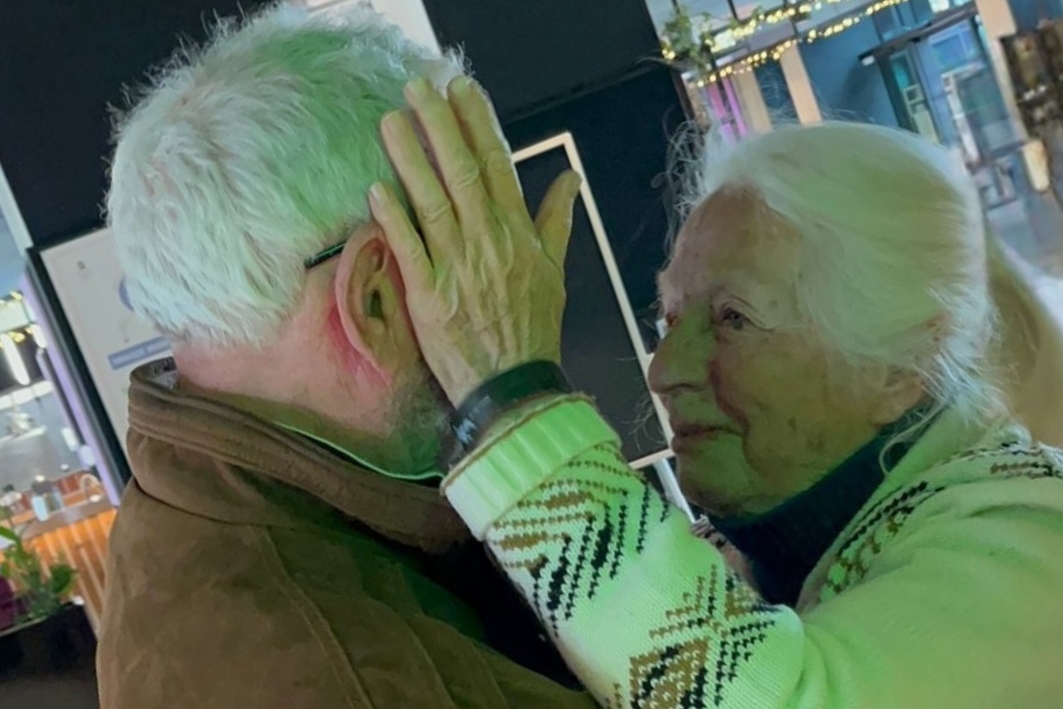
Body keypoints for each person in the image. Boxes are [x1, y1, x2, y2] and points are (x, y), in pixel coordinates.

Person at [371, 76, 1063, 707]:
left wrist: (510, 399)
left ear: (902, 364)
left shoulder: (1031, 541)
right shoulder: (762, 562)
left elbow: (782, 696)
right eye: (668, 317)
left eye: (734, 319)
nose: (664, 369)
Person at [96, 7, 599, 708]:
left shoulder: (212, 528)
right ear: (375, 298)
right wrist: (523, 397)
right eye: (481, 238)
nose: (522, 273)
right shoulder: (344, 671)